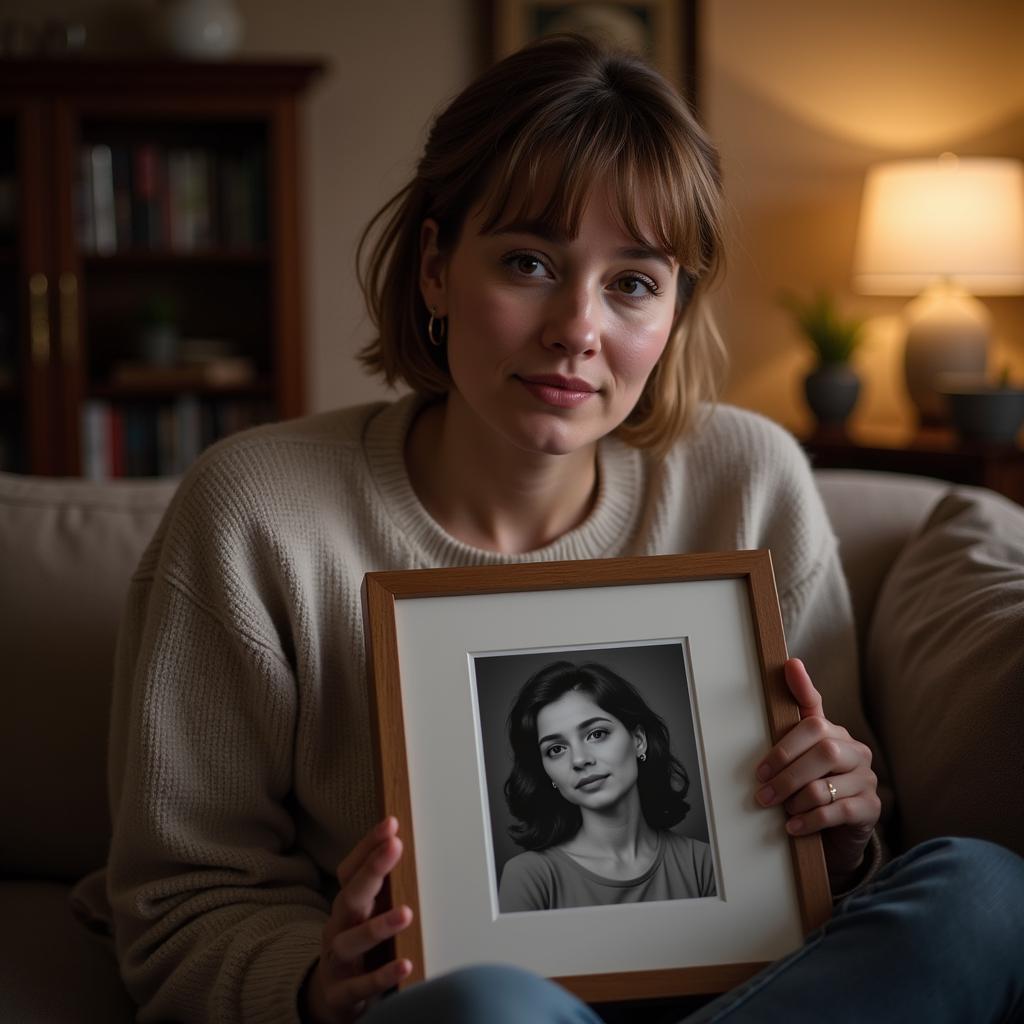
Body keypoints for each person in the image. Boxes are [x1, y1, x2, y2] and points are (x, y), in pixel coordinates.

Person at [72, 31, 1024, 1024]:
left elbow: (831, 878)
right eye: (529, 261)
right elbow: (183, 901)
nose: (577, 326)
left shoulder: (748, 478)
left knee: (985, 892)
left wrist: (835, 826)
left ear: (673, 314)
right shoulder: (253, 511)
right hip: (462, 1012)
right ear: (436, 268)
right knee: (489, 1005)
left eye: (633, 282)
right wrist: (316, 982)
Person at [498, 659, 716, 911]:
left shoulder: (704, 863)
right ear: (546, 772)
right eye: (556, 749)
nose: (579, 760)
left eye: (596, 734)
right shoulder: (530, 877)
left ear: (638, 740)